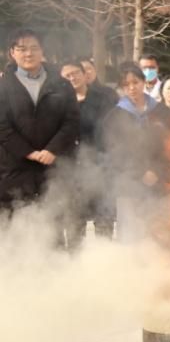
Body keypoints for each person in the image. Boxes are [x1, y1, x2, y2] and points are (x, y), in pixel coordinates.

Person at [0, 28, 79, 210]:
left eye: (34, 48)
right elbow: (2, 127)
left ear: (42, 50)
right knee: (17, 223)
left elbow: (72, 121)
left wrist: (52, 149)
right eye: (22, 49)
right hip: (14, 170)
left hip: (55, 167)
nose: (29, 53)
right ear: (12, 52)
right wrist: (29, 152)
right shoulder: (3, 86)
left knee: (55, 221)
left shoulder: (61, 84)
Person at [101, 63, 169, 243]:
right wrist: (140, 172)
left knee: (159, 230)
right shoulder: (114, 116)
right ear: (121, 88)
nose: (132, 88)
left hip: (159, 181)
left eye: (135, 82)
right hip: (129, 181)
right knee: (131, 231)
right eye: (126, 84)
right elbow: (114, 152)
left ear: (144, 82)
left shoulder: (161, 111)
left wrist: (157, 171)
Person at [60, 60, 119, 246]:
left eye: (76, 73)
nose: (72, 78)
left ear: (85, 75)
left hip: (101, 166)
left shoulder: (104, 99)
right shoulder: (58, 103)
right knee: (74, 219)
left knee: (104, 217)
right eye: (67, 76)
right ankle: (74, 258)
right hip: (71, 169)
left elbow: (114, 130)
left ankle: (105, 256)